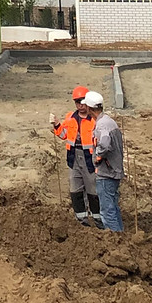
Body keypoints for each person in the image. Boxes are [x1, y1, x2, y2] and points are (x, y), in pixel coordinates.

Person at [50, 84, 101, 227]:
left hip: (90, 158)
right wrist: (57, 125)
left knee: (93, 190)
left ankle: (98, 220)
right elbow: (64, 135)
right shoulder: (70, 118)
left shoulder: (95, 120)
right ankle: (82, 221)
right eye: (77, 102)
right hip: (73, 157)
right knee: (75, 189)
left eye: (82, 101)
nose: (80, 105)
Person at [85, 91, 125, 232]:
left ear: (89, 108)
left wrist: (98, 156)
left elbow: (105, 144)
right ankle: (121, 237)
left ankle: (115, 241)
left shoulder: (102, 125)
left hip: (107, 174)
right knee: (113, 208)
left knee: (107, 212)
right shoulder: (108, 121)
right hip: (113, 172)